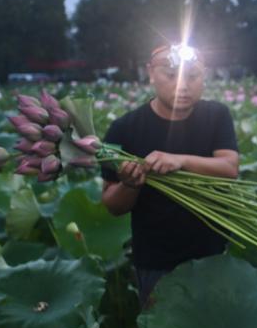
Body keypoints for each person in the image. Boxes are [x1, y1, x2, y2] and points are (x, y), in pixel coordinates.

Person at [101, 43, 239, 308]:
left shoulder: (217, 116)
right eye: (171, 75)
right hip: (156, 262)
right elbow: (112, 205)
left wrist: (180, 160)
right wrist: (131, 185)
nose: (182, 86)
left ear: (205, 75)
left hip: (212, 257)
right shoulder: (123, 130)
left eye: (192, 76)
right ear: (150, 73)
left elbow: (229, 168)